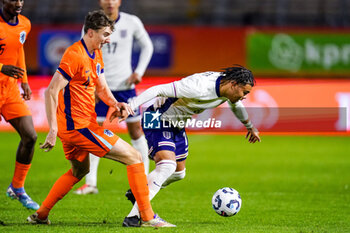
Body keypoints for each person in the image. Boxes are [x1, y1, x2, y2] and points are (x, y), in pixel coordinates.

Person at [26, 10, 174, 227]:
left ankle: (41, 215)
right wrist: (52, 130)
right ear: (90, 32)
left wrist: (115, 103)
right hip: (79, 127)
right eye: (105, 34)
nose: (108, 39)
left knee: (80, 170)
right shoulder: (74, 55)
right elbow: (51, 91)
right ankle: (147, 217)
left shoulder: (96, 53)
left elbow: (102, 87)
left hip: (81, 125)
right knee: (134, 157)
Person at [120, 65, 261, 227]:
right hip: (157, 117)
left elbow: (236, 105)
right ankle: (135, 217)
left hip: (177, 123)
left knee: (179, 173)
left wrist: (249, 125)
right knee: (167, 165)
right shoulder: (198, 86)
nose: (244, 97)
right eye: (245, 92)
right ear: (234, 84)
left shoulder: (227, 88)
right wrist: (130, 107)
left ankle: (140, 191)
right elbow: (158, 89)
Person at [74, 0, 153, 195]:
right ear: (101, 2)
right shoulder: (91, 24)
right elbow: (83, 53)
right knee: (93, 132)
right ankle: (91, 183)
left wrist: (139, 72)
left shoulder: (131, 22)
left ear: (119, 2)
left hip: (125, 86)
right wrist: (90, 82)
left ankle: (143, 178)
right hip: (99, 88)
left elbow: (147, 46)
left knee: (136, 131)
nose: (110, 2)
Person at [0, 0, 39, 210]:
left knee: (30, 136)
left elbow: (19, 48)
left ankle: (17, 187)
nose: (18, 3)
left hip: (10, 90)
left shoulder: (25, 23)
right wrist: (1, 67)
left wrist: (23, 80)